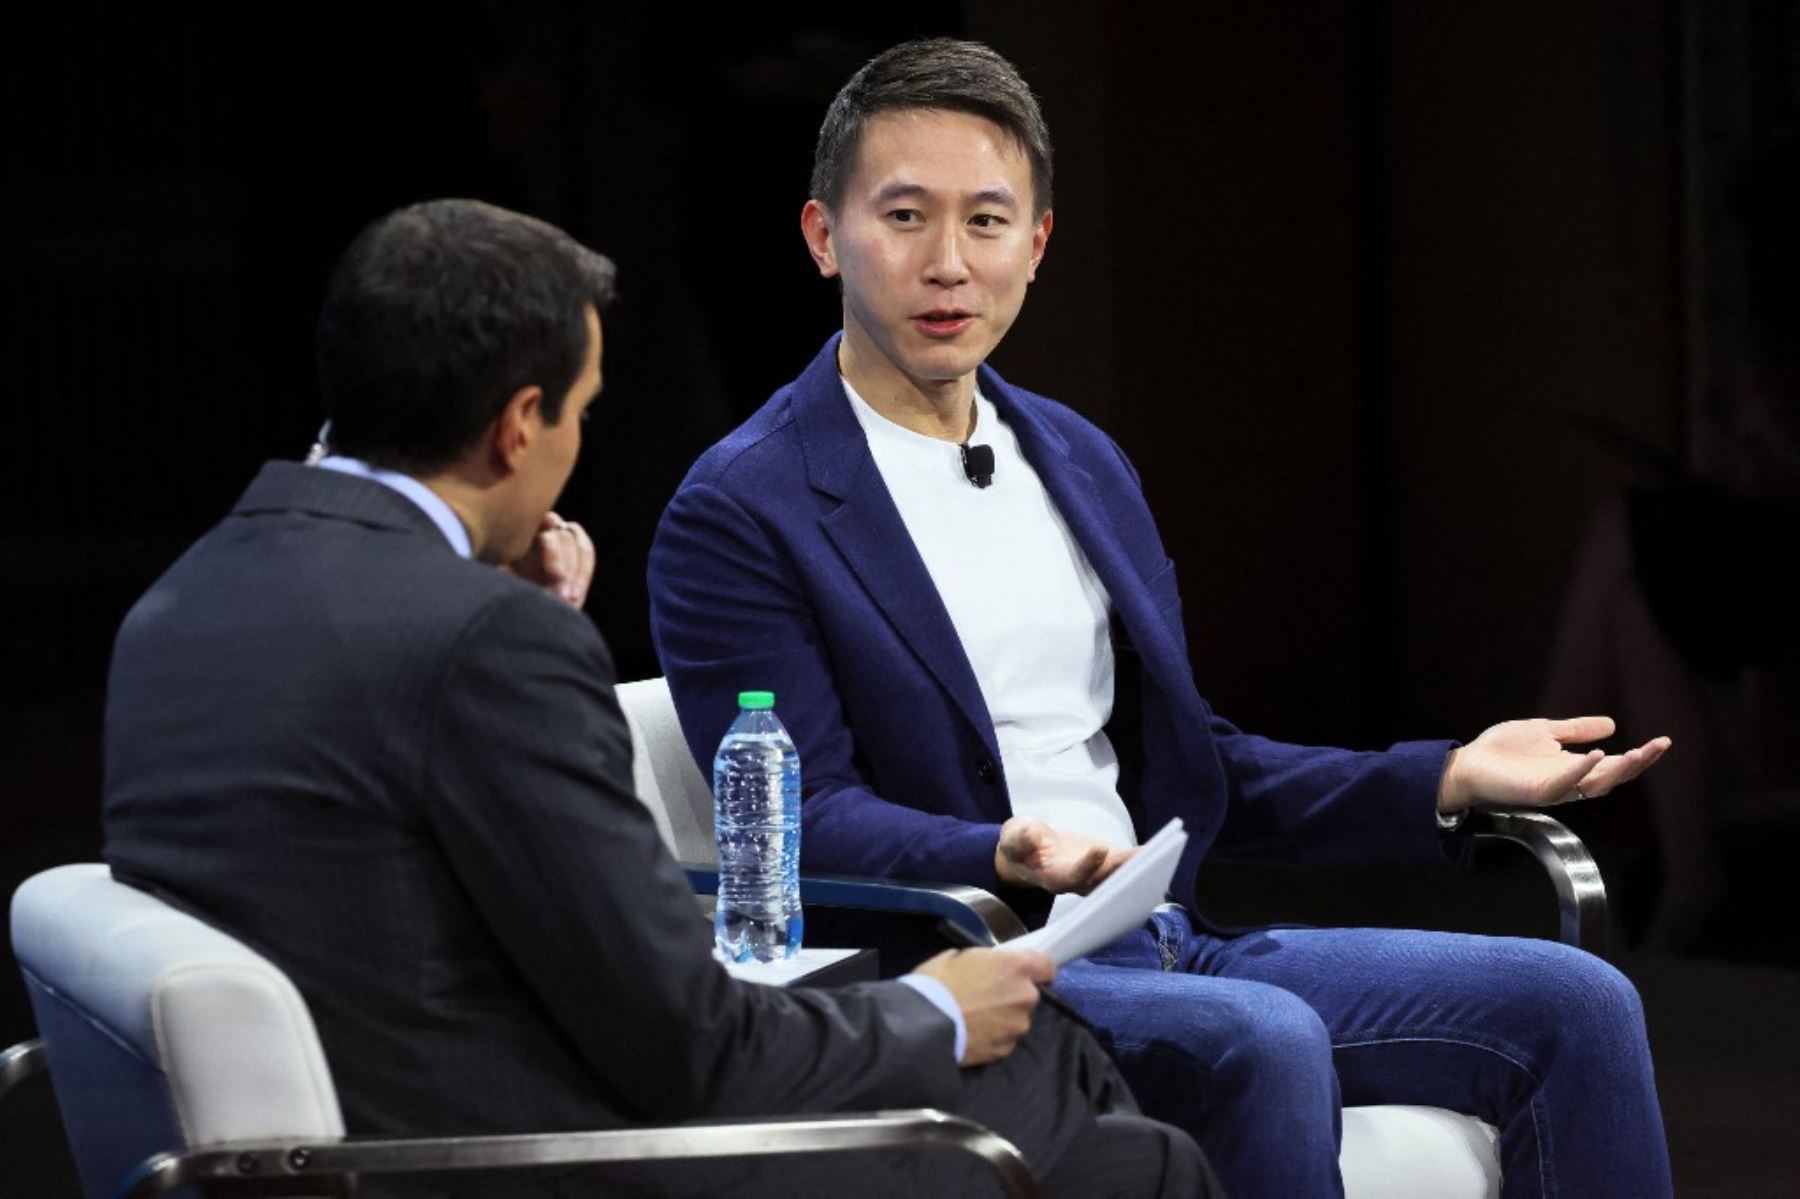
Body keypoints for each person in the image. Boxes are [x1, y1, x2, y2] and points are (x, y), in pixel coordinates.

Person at [649, 38, 1675, 1197]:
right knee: (1262, 1034)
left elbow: (1200, 760)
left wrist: (1448, 776)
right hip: (980, 964)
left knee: (1580, 1000)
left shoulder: (1078, 458)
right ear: (824, 236)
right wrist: (997, 848)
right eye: (904, 217)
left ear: (1036, 246)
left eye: (987, 222)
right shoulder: (743, 507)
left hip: (1169, 938)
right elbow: (802, 818)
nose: (949, 264)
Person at [100, 199, 1212, 1198]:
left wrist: (504, 617)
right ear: (516, 424)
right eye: (580, 414)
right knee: (1105, 1125)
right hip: (522, 1152)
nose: (576, 448)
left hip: (328, 1144)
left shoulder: (181, 603)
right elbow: (695, 1045)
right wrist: (937, 1008)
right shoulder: (482, 640)